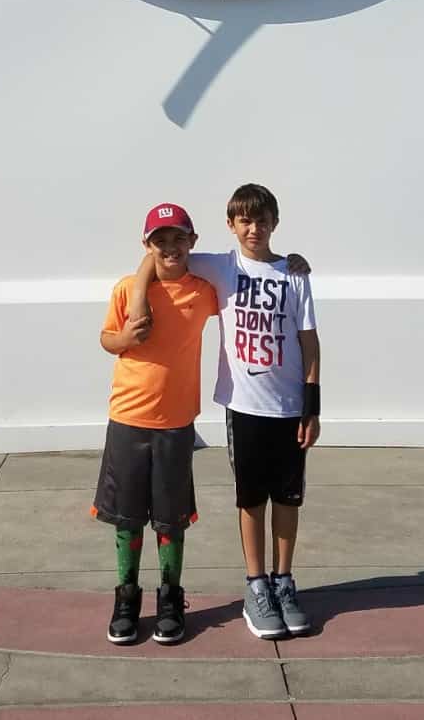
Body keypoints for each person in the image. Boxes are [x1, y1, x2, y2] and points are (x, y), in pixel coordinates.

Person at [131, 182, 320, 641]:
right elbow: (159, 258)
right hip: (245, 406)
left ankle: (284, 581)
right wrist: (138, 297)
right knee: (252, 499)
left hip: (290, 406)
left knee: (289, 500)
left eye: (262, 220)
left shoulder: (295, 275)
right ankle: (256, 584)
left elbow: (309, 342)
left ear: (275, 222)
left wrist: (312, 405)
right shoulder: (221, 266)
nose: (254, 228)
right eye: (245, 221)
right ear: (232, 226)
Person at [92, 202, 218, 646]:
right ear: (146, 245)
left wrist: (291, 264)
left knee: (171, 518)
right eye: (159, 241)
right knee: (126, 518)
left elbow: (247, 274)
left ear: (193, 242)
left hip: (176, 422)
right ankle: (126, 596)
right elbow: (107, 338)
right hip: (127, 416)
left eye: (178, 239)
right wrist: (124, 338)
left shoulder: (204, 291)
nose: (170, 248)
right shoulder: (127, 289)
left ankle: (170, 596)